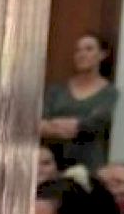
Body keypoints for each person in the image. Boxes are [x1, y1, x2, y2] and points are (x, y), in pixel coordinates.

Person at [40, 34, 119, 172]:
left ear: (102, 55)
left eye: (89, 49)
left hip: (90, 164)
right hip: (53, 163)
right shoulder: (57, 90)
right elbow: (40, 122)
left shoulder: (109, 92)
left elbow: (95, 122)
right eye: (78, 50)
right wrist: (62, 129)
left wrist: (62, 125)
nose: (82, 54)